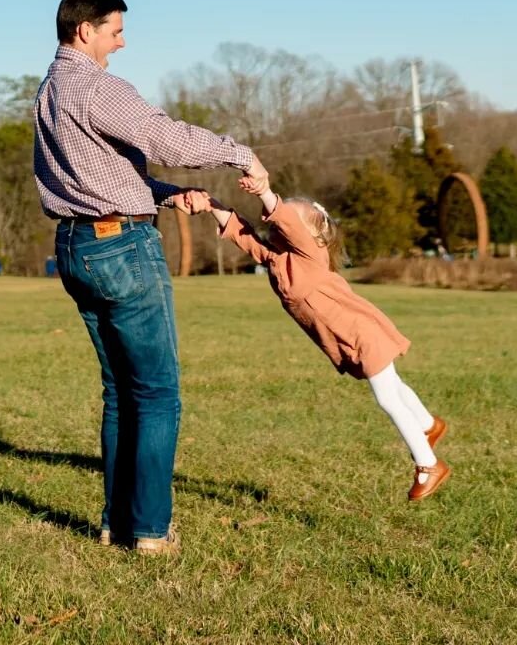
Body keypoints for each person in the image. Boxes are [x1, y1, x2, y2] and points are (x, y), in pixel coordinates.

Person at [34, 0, 269, 554]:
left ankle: (117, 523)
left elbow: (96, 173)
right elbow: (163, 138)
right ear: (84, 29)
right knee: (157, 393)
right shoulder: (96, 87)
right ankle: (149, 531)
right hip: (122, 248)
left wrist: (165, 194)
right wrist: (238, 153)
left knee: (121, 392)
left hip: (76, 247)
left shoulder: (50, 90)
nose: (122, 41)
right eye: (115, 30)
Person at [189, 188, 452, 502]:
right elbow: (241, 232)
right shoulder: (277, 259)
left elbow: (286, 220)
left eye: (285, 223)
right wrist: (210, 204)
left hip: (362, 332)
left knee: (386, 397)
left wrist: (264, 191)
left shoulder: (311, 255)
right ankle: (428, 424)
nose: (275, 226)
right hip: (349, 338)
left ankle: (428, 465)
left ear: (312, 236)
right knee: (393, 385)